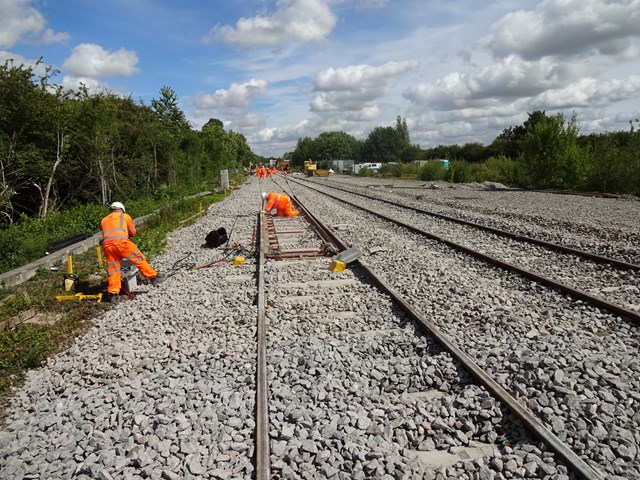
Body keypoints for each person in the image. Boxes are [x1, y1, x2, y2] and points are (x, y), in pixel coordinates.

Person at [100, 202, 164, 299]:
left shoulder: (103, 220)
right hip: (122, 243)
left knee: (113, 270)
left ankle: (113, 294)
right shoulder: (124, 216)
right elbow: (132, 232)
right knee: (138, 259)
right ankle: (154, 277)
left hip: (107, 247)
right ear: (122, 209)